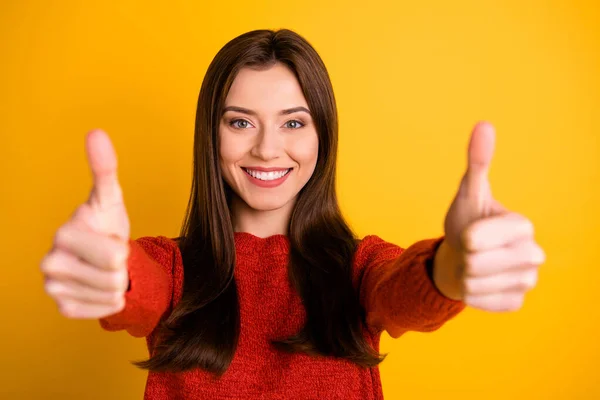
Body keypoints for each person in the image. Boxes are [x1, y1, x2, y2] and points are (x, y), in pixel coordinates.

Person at [40, 29, 545, 399]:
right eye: (240, 122)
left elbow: (405, 291)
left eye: (293, 123)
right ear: (209, 137)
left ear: (321, 136)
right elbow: (137, 286)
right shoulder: (172, 270)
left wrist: (455, 266)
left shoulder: (358, 267)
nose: (266, 149)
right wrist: (110, 270)